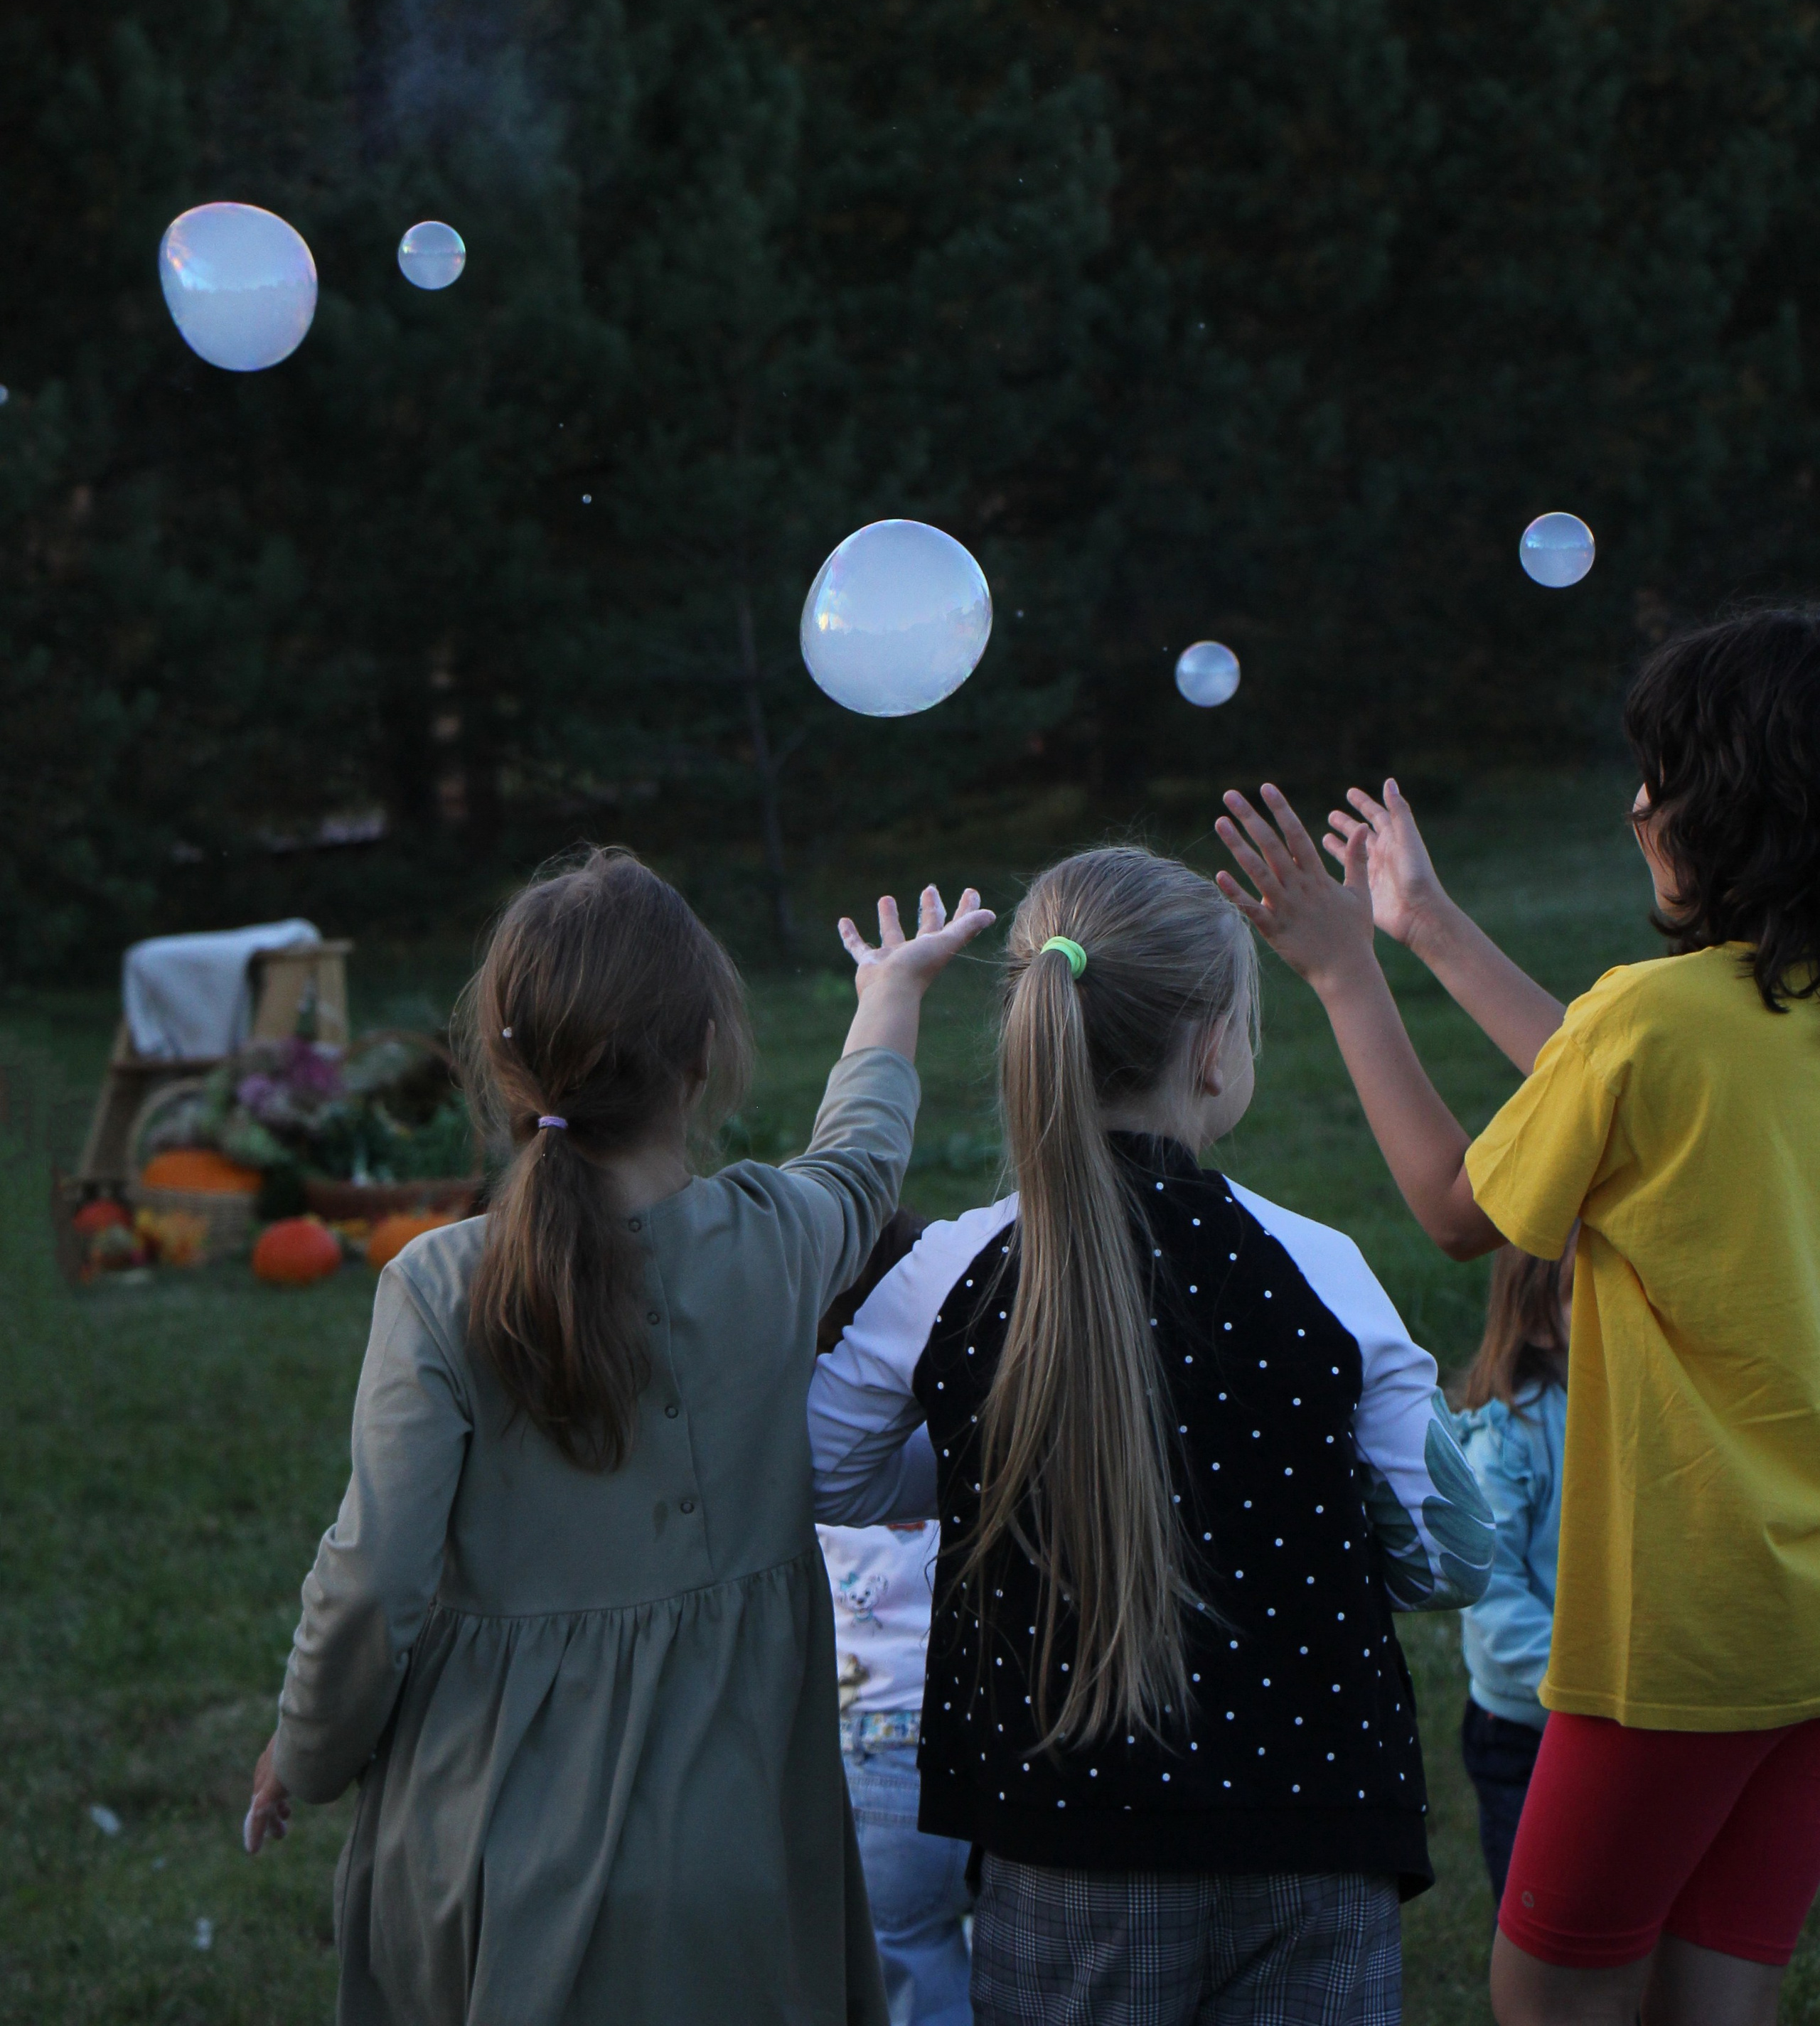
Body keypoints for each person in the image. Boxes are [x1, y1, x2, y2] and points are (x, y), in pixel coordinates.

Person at [240, 844, 995, 2026]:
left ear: (503, 1058)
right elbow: (862, 1157)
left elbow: (372, 1574)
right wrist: (891, 992)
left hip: (485, 1850)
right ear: (703, 1053)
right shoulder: (777, 1239)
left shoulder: (437, 1284)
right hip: (742, 1859)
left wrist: (306, 1747)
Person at [1213, 604, 1820, 2026]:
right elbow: (1611, 1092)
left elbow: (1448, 1202)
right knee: (1712, 1997)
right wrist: (1421, 919)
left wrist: (1343, 971)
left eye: (1652, 774)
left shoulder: (1649, 1026)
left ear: (1714, 807)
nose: (1628, 807)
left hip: (1674, 1638)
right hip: (1805, 1638)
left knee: (1547, 1997)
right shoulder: (1699, 1032)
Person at [809, 843, 1493, 2026]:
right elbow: (1453, 1555)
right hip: (1312, 1839)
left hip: (1067, 1846)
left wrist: (996, 1464)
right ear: (1213, 1047)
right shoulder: (1322, 1268)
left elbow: (819, 1466)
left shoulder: (950, 1270)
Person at [817, 1211, 973, 2026]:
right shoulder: (975, 1427)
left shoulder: (814, 1448)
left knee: (901, 1961)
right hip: (995, 1742)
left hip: (872, 1758)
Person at [1450, 1239, 1574, 1903]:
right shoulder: (1510, 1438)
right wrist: (1576, 1685)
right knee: (1539, 1914)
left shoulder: (1642, 1418)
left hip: (1620, 1717)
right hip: (1524, 1730)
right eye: (1592, 1296)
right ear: (1538, 1317)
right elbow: (1490, 1593)